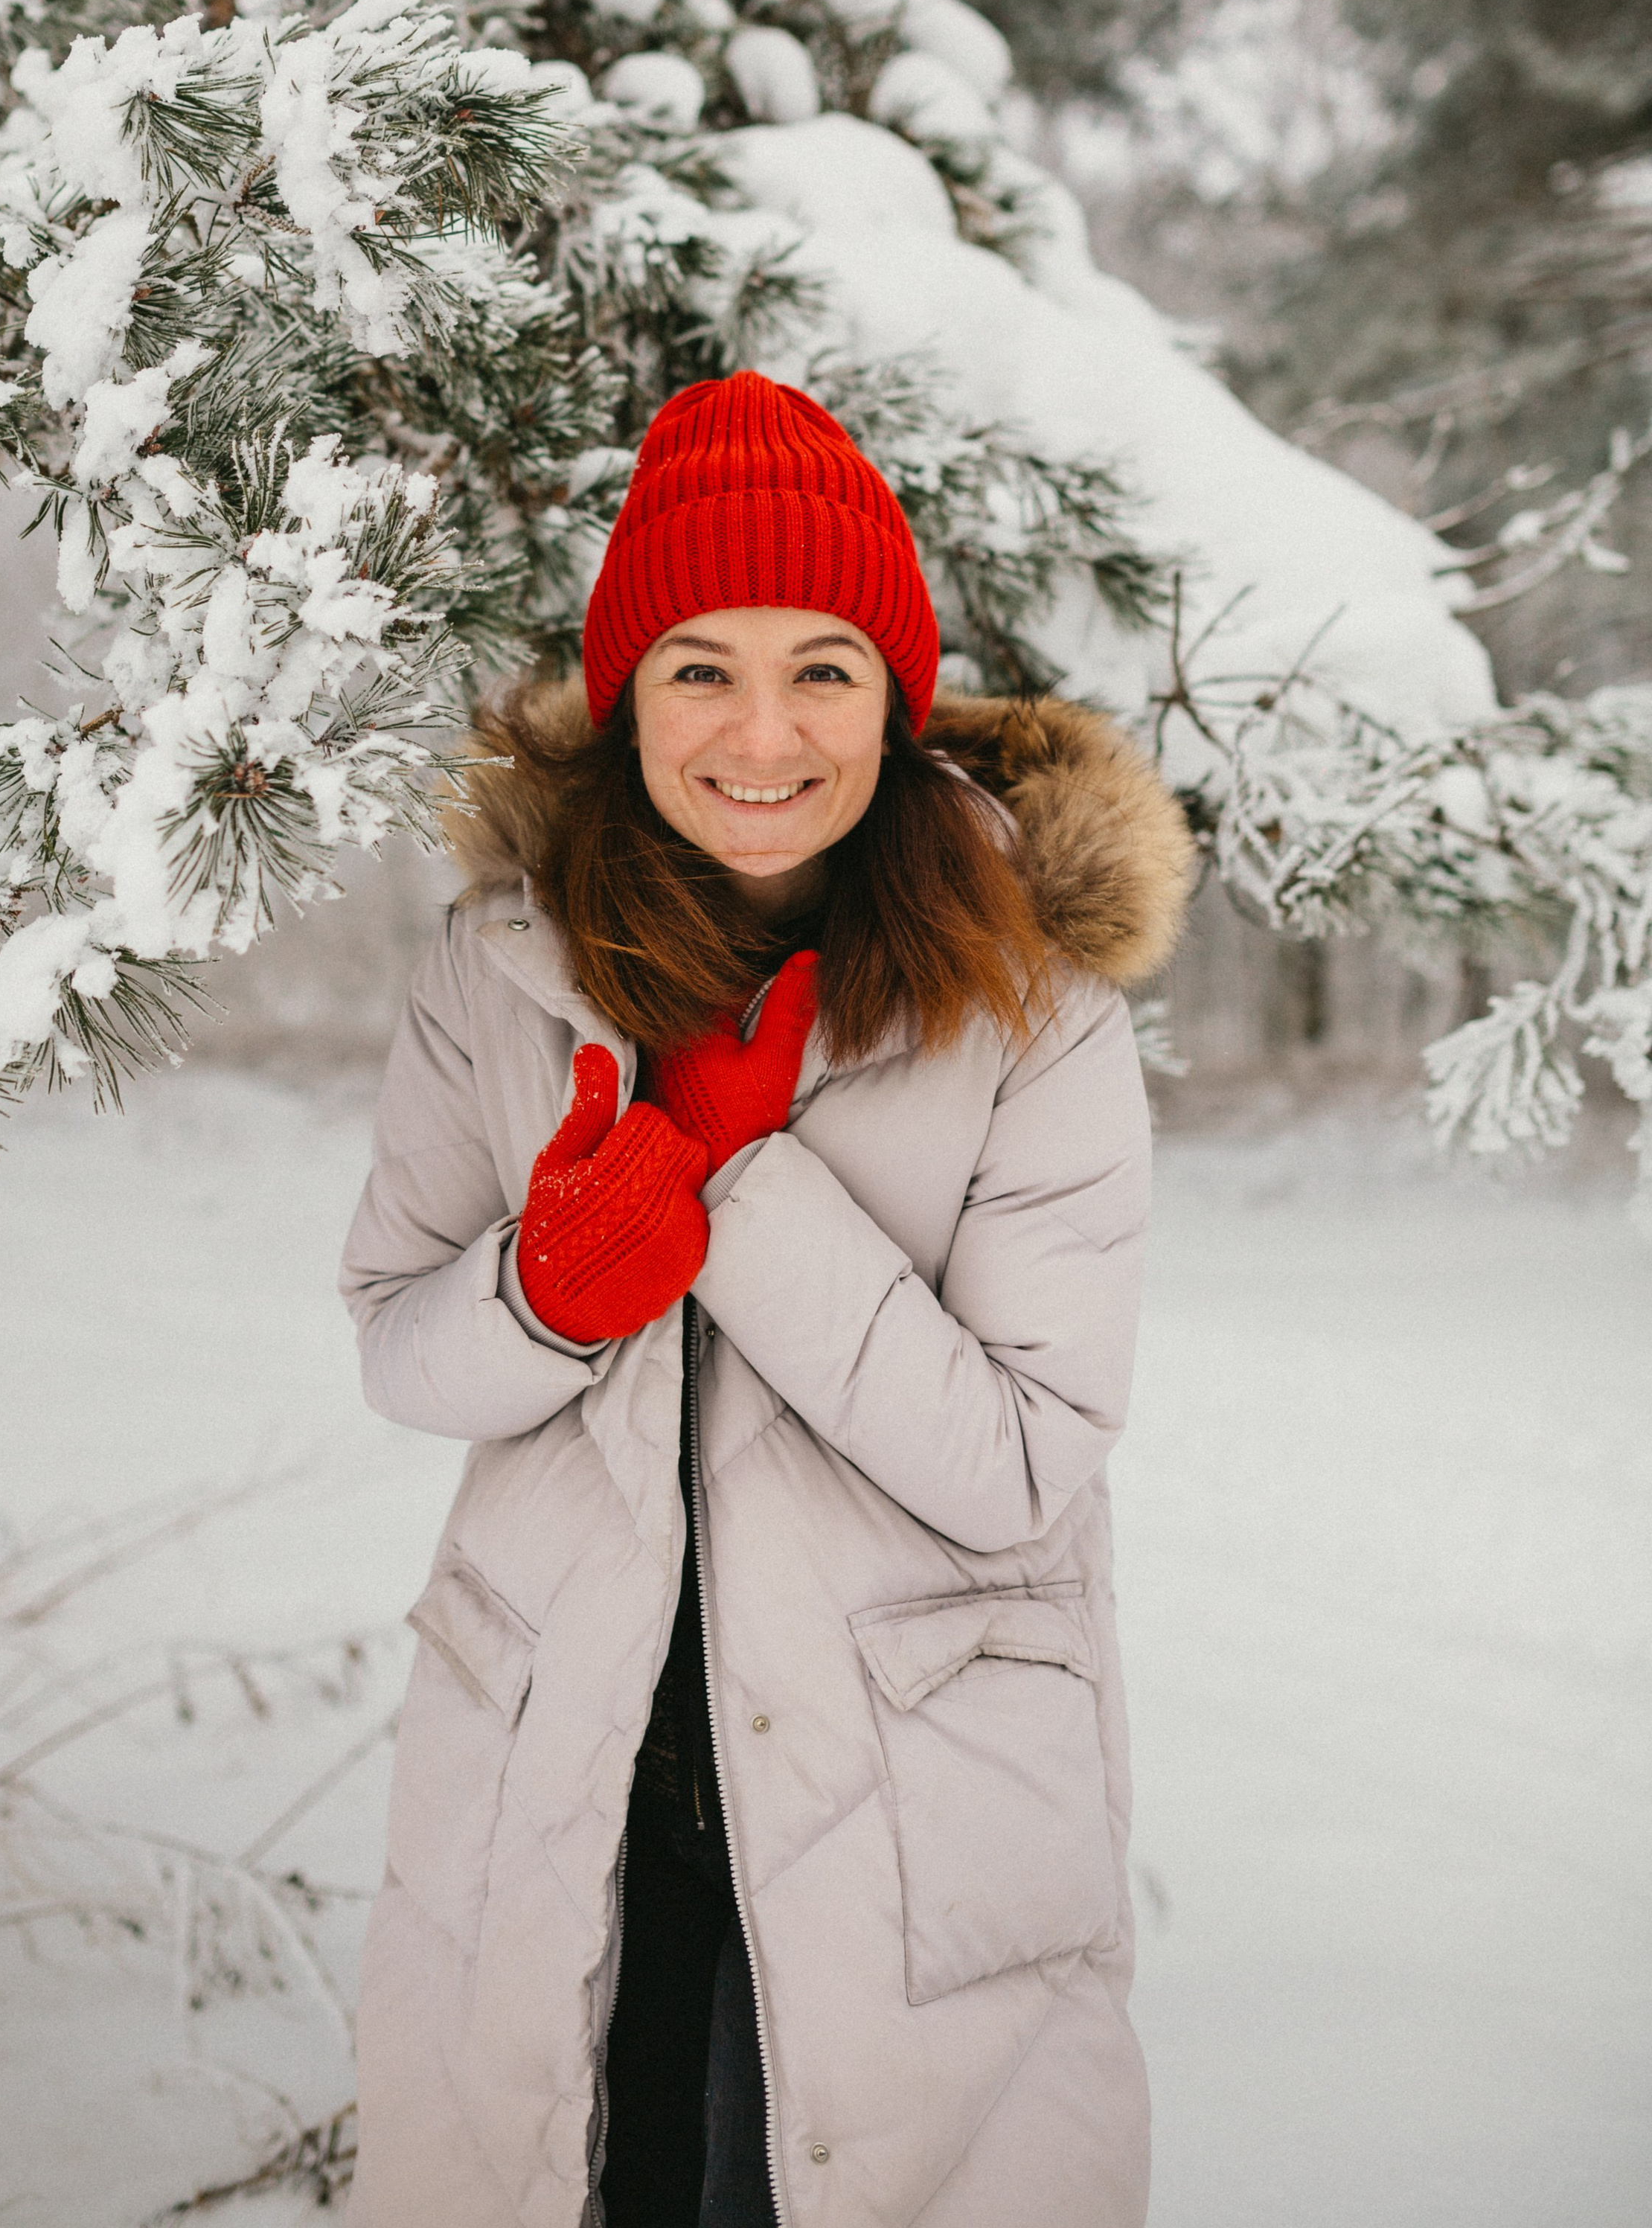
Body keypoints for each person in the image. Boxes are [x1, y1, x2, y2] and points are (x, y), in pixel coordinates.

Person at [338, 371, 1194, 2228]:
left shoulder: (1033, 1006)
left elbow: (1021, 1463)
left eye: (822, 669)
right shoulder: (500, 970)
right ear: (627, 693)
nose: (760, 732)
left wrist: (741, 1184)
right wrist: (547, 1298)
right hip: (566, 1767)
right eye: (697, 669)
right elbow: (399, 1339)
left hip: (914, 1800)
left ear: (893, 698)